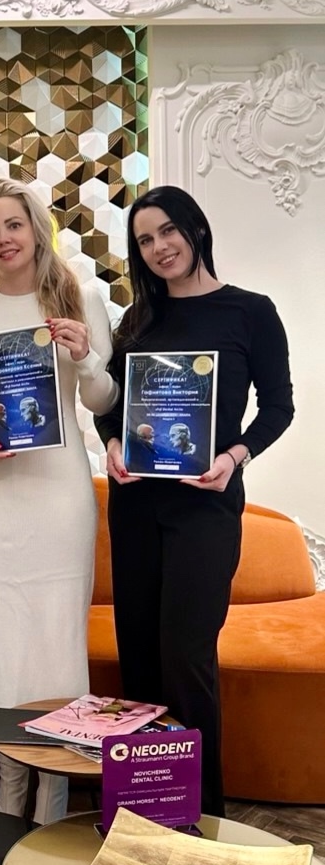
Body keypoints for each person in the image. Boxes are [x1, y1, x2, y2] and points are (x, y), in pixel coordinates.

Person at [94, 185, 294, 817]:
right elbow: (111, 406)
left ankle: (201, 814)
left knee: (186, 656)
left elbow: (279, 407)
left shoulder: (250, 312)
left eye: (168, 231)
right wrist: (112, 444)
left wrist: (233, 457)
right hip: (135, 506)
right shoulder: (137, 320)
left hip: (205, 509)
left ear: (196, 229)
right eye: (144, 240)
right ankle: (143, 812)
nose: (159, 248)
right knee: (140, 656)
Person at [0, 177, 118, 826]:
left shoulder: (81, 297)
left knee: (57, 643)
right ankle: (11, 785)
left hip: (58, 496)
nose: (2, 240)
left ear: (35, 229)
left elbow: (101, 398)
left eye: (12, 225)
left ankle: (55, 791)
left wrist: (86, 357)